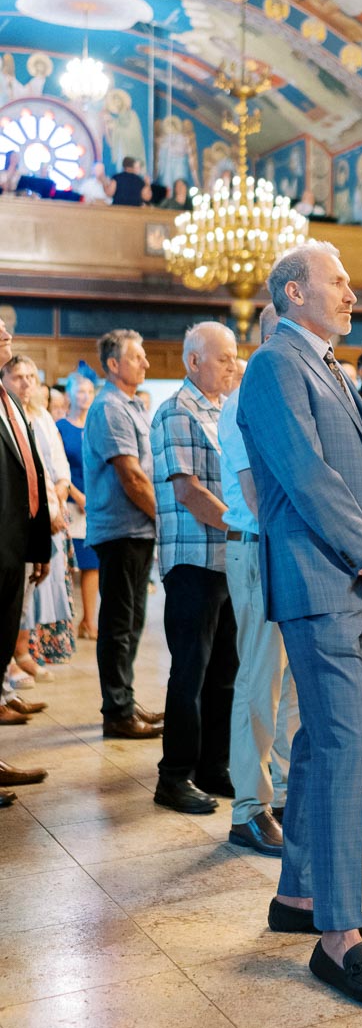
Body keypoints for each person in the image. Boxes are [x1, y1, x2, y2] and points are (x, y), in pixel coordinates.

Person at [237, 242, 362, 1007]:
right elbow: (304, 473)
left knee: (317, 742)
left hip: (356, 575)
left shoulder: (334, 369)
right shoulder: (273, 365)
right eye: (338, 282)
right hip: (319, 578)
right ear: (296, 290)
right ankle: (337, 940)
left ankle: (301, 894)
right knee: (344, 743)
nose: (350, 294)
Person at [220, 305, 299, 857]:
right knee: (258, 679)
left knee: (292, 682)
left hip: (289, 552)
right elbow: (255, 495)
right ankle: (248, 806)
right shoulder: (245, 398)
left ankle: (289, 790)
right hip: (259, 548)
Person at [151, 322, 239, 812]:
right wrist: (242, 526)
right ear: (193, 361)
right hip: (193, 560)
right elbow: (187, 492)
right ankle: (174, 775)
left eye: (233, 357)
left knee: (225, 670)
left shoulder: (224, 411)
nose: (231, 365)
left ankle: (213, 766)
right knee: (190, 670)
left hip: (227, 560)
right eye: (223, 357)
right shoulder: (176, 411)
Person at [83, 329, 162, 739]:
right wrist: (164, 518)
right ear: (113, 364)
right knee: (118, 622)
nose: (145, 363)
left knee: (131, 620)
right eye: (136, 357)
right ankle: (116, 711)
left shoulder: (130, 405)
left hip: (136, 529)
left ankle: (125, 700)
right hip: (121, 529)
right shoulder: (111, 407)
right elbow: (131, 477)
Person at [0, 316, 51, 799]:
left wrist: (39, 548)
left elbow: (29, 474)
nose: (5, 334)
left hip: (14, 548)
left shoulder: (12, 401)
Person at [3, 355, 74, 672]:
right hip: (17, 518)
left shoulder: (40, 415)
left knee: (30, 588)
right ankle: (14, 658)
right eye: (19, 376)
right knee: (15, 591)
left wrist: (56, 503)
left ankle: (19, 657)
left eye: (32, 376)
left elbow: (54, 468)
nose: (27, 383)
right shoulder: (10, 413)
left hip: (44, 512)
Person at [57, 372, 99, 640]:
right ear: (70, 394)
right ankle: (61, 623)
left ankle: (89, 621)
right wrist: (77, 494)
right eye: (80, 392)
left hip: (94, 502)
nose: (85, 397)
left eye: (89, 392)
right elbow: (57, 466)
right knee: (67, 564)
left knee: (92, 563)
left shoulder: (97, 425)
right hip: (71, 502)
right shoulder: (61, 427)